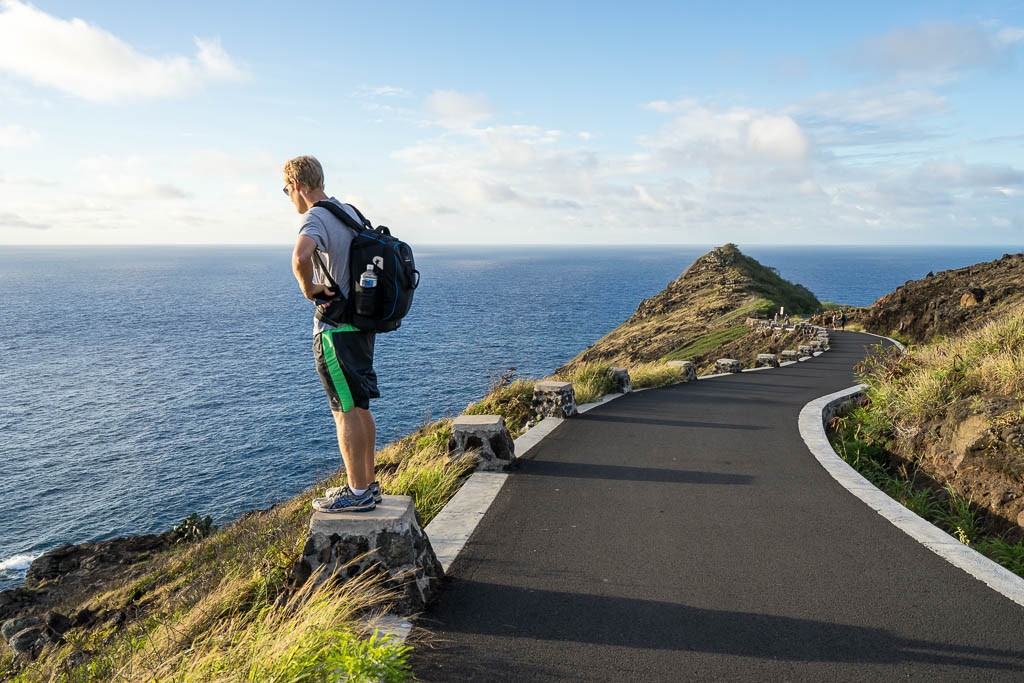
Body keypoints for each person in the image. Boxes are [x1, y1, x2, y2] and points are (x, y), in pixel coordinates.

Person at [284, 155, 381, 513]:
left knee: (344, 411)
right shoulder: (349, 212)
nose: (288, 197)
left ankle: (356, 494)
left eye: (286, 190)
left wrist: (307, 288)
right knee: (359, 406)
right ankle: (368, 485)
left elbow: (300, 256)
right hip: (362, 324)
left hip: (334, 330)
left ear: (296, 185)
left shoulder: (315, 217)